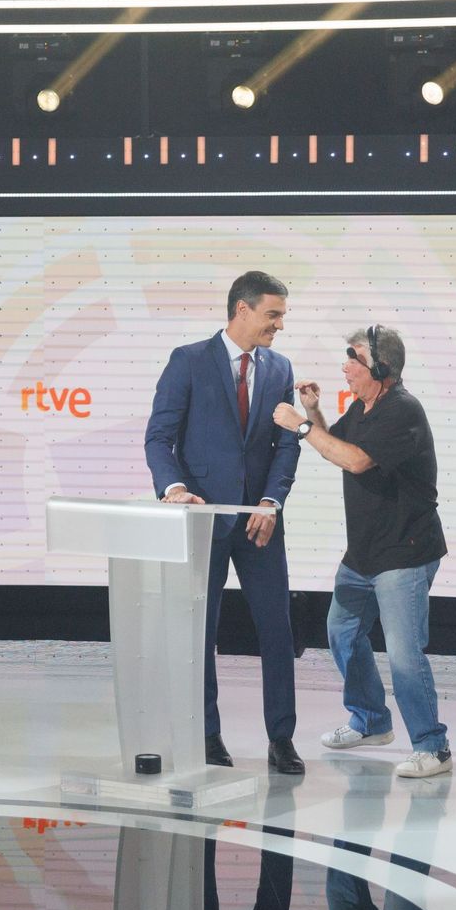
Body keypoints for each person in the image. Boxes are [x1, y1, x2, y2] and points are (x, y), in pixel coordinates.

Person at [273, 325, 452, 779]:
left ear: (382, 368)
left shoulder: (402, 410)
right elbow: (338, 446)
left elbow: (356, 461)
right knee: (343, 634)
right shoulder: (365, 406)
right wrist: (315, 412)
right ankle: (371, 720)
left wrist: (302, 424)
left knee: (405, 656)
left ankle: (433, 746)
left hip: (404, 553)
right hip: (364, 552)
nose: (345, 366)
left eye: (353, 358)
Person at [144, 271, 305, 775]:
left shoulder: (280, 368)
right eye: (272, 315)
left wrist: (271, 502)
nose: (279, 325)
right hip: (202, 521)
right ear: (242, 310)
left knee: (277, 630)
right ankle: (207, 733)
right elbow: (159, 438)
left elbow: (287, 445)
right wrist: (173, 490)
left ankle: (282, 738)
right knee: (202, 632)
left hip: (259, 522)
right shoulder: (188, 361)